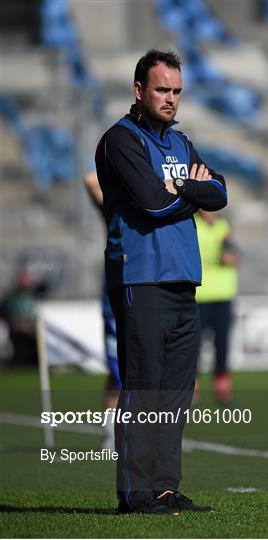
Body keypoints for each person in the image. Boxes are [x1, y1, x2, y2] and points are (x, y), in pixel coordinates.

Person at [95, 49, 227, 515]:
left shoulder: (180, 142)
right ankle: (135, 493)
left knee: (174, 394)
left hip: (183, 281)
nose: (170, 99)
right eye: (161, 89)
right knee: (144, 387)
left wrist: (184, 189)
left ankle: (164, 488)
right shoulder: (121, 140)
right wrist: (192, 190)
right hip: (141, 278)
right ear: (139, 91)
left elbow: (221, 192)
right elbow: (152, 204)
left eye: (176, 91)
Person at [84, 171, 121, 450]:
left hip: (146, 301)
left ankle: (149, 436)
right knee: (117, 372)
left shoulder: (153, 206)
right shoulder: (116, 208)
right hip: (115, 301)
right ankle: (111, 432)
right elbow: (89, 179)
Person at [194, 209, 239, 405]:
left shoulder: (224, 227)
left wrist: (231, 257)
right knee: (193, 345)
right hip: (199, 294)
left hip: (223, 294)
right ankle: (192, 387)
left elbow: (233, 255)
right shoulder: (192, 224)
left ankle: (222, 386)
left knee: (222, 343)